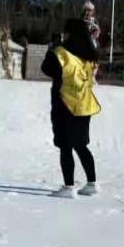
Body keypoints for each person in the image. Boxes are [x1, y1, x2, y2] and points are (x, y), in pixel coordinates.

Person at [41, 18, 101, 198]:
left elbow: (46, 69)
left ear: (68, 33)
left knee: (65, 146)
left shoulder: (61, 53)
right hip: (84, 105)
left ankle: (68, 187)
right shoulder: (89, 55)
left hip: (64, 105)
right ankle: (92, 183)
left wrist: (52, 48)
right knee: (81, 145)